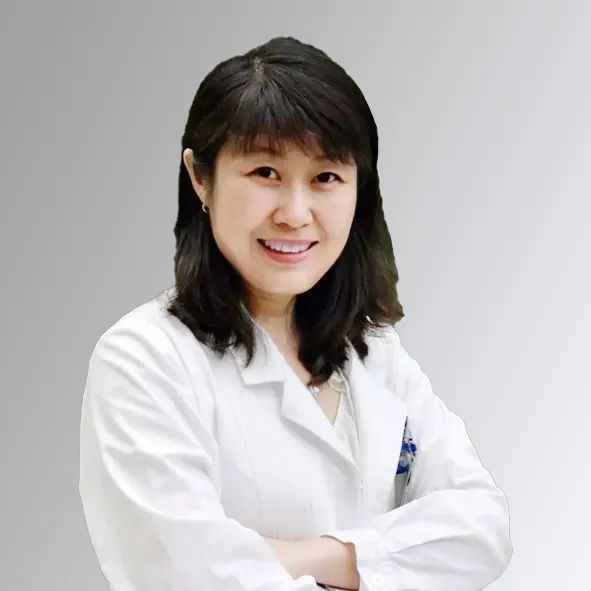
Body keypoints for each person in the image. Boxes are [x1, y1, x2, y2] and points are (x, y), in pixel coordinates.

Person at [78, 36, 513, 591]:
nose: (295, 213)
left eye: (326, 177)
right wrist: (390, 561)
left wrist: (302, 557)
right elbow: (186, 576)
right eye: (266, 172)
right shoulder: (144, 360)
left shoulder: (374, 350)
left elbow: (484, 529)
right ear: (200, 178)